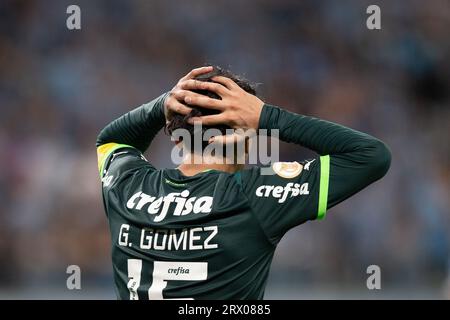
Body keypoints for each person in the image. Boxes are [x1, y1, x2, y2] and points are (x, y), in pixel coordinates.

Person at [96, 66, 391, 300]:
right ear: (246, 137)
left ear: (175, 136)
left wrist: (161, 106)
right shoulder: (253, 194)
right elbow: (370, 156)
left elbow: (111, 141)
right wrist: (268, 116)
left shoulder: (128, 187)